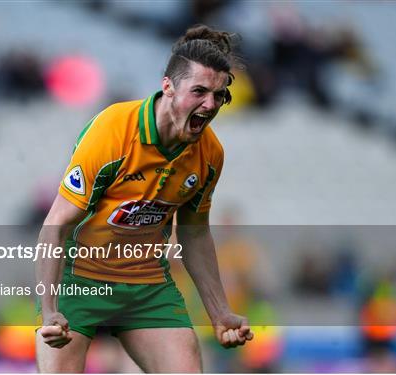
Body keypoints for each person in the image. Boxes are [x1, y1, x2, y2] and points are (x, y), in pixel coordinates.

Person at [35, 25, 253, 373]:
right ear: (167, 86)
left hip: (148, 287)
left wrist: (219, 312)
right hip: (80, 282)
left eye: (219, 95)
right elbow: (55, 224)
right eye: (199, 91)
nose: (210, 105)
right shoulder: (113, 131)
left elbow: (195, 233)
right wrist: (49, 310)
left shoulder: (209, 153)